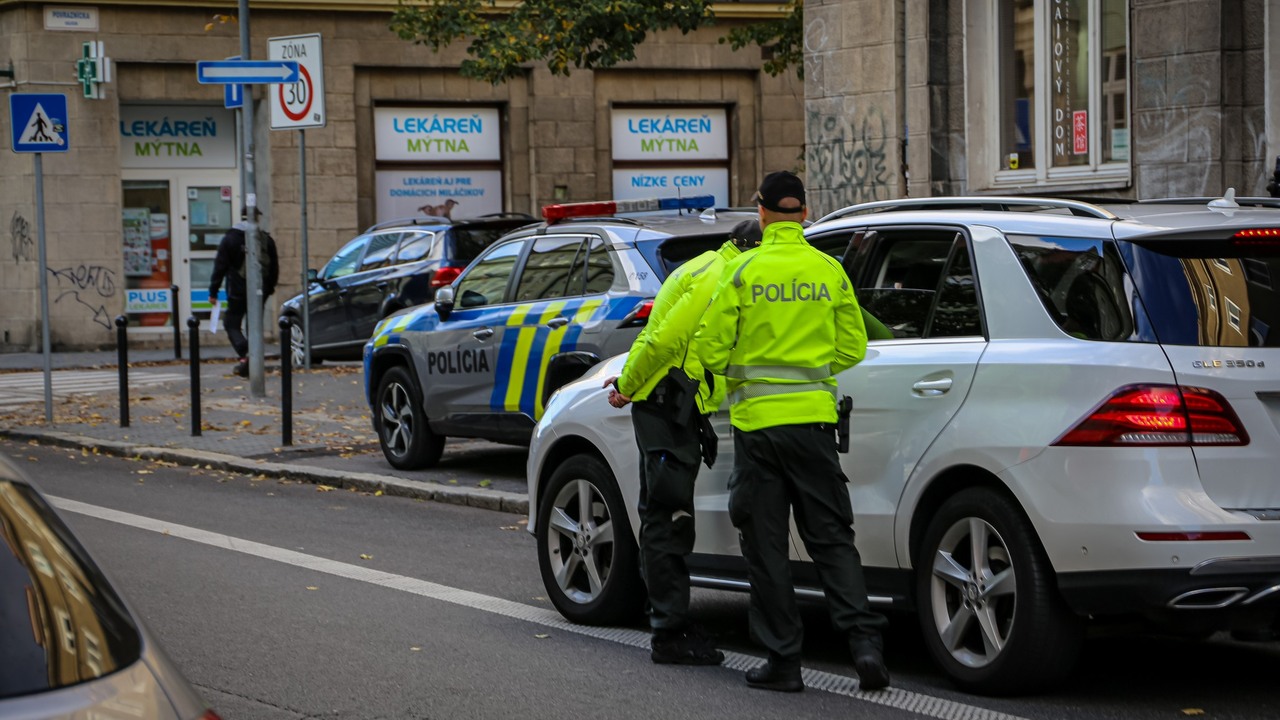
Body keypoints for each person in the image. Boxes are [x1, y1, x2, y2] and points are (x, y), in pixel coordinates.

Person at [696, 171, 890, 692]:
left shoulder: (743, 271)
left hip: (759, 429)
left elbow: (710, 350)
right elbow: (853, 347)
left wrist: (747, 368)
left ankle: (784, 662)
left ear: (760, 211)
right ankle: (865, 644)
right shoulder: (828, 270)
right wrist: (810, 367)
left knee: (766, 547)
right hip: (814, 425)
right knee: (831, 539)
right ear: (805, 213)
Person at [602, 218, 763, 666]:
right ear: (751, 250)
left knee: (662, 513)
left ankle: (666, 620)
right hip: (667, 405)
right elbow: (662, 337)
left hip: (669, 405)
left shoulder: (706, 266)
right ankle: (669, 632)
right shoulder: (719, 277)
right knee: (668, 517)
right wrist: (628, 386)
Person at [209, 207, 280, 377]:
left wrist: (213, 291)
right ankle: (252, 357)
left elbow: (220, 267)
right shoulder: (266, 239)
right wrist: (268, 289)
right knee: (254, 325)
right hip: (260, 291)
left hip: (237, 290)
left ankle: (245, 354)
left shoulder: (230, 239)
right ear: (257, 218)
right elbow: (274, 268)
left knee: (231, 323)